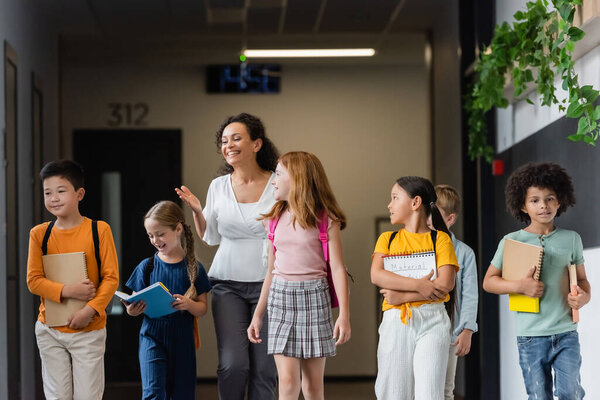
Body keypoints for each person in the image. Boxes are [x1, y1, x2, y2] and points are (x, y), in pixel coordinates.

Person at [176, 113, 279, 399]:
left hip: (270, 283)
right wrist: (198, 211)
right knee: (233, 364)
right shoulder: (218, 186)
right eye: (224, 141)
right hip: (227, 283)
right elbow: (211, 237)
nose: (228, 145)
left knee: (266, 368)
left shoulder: (279, 184)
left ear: (257, 144)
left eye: (236, 138)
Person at [247, 151, 351, 400]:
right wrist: (258, 314)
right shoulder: (273, 219)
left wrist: (344, 316)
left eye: (279, 174)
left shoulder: (326, 220)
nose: (273, 179)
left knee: (313, 387)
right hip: (280, 298)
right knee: (287, 381)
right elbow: (271, 271)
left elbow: (337, 268)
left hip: (315, 298)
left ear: (298, 179)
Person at [482, 162, 591, 400]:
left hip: (566, 334)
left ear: (560, 200)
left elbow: (583, 281)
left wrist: (583, 296)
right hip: (530, 336)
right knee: (538, 396)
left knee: (571, 393)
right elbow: (489, 282)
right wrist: (520, 286)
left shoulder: (572, 239)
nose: (543, 205)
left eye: (550, 198)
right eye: (535, 200)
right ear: (522, 205)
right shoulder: (511, 241)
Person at [26, 160, 119, 400]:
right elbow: (33, 281)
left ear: (79, 194)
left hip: (89, 331)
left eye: (61, 191)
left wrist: (89, 310)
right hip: (49, 330)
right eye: (48, 193)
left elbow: (111, 278)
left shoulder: (99, 230)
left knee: (88, 396)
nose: (53, 198)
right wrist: (69, 290)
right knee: (57, 397)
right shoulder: (39, 234)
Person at [372, 176, 458, 400]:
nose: (389, 205)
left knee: (430, 393)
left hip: (433, 321)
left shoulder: (440, 240)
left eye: (394, 198)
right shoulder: (387, 239)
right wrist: (420, 286)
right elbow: (377, 275)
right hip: (395, 322)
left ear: (415, 202)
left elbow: (446, 284)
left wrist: (401, 297)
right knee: (394, 393)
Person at [123, 200, 211, 400]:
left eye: (160, 234)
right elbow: (132, 303)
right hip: (151, 336)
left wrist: (189, 305)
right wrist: (131, 311)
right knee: (153, 393)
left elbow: (203, 309)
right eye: (150, 235)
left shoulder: (195, 269)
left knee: (182, 394)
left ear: (178, 229)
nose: (155, 240)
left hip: (182, 339)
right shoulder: (147, 267)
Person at [432, 185, 478, 400]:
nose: (427, 219)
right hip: (420, 326)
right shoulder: (419, 247)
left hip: (450, 331)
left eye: (435, 214)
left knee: (445, 389)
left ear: (450, 219)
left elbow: (469, 294)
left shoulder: (464, 253)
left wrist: (467, 329)